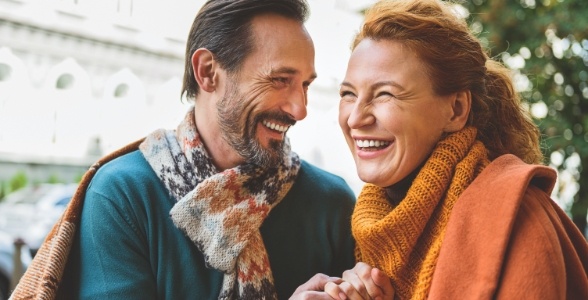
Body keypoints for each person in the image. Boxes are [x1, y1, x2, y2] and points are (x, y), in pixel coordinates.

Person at [10, 1, 356, 299]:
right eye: (280, 80)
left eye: (305, 85)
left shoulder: (332, 202)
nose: (300, 109)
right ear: (207, 72)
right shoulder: (122, 196)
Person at [297, 0, 588, 299]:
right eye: (348, 94)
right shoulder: (373, 234)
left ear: (456, 110)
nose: (356, 118)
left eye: (385, 94)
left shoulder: (515, 217)